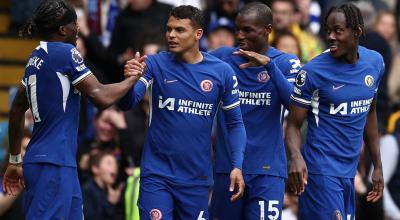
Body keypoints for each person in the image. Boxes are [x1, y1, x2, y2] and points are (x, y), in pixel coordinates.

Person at [2, 0, 142, 219]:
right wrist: (133, 79)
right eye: (75, 24)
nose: (78, 29)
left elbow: (17, 109)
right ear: (62, 29)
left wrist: (14, 159)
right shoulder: (66, 52)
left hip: (52, 160)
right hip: (54, 162)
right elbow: (101, 97)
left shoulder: (35, 58)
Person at [120, 5, 246, 220]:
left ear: (198, 34)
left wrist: (237, 166)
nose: (171, 35)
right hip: (157, 176)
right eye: (169, 29)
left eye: (179, 30)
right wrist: (129, 80)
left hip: (196, 179)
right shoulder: (155, 63)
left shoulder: (221, 72)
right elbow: (128, 103)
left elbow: (235, 124)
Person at [285, 3, 384, 219]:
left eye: (338, 30)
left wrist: (377, 165)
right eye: (328, 30)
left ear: (356, 31)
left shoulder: (375, 63)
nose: (330, 36)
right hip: (320, 173)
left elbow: (370, 114)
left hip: (349, 173)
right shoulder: (313, 72)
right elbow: (293, 124)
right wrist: (295, 156)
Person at [209, 2, 301, 220]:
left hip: (266, 171)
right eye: (237, 29)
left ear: (267, 30)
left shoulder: (286, 62)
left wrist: (269, 66)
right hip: (227, 168)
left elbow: (296, 108)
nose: (240, 35)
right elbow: (190, 63)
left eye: (247, 30)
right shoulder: (222, 57)